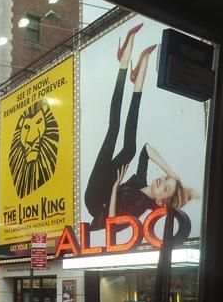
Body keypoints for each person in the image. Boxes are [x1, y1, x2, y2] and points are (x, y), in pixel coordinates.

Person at [83, 23, 196, 236]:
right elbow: (146, 149)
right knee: (132, 150)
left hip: (96, 200)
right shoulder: (140, 181)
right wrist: (171, 172)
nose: (162, 181)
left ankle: (124, 64)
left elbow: (113, 224)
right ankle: (136, 77)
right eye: (166, 181)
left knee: (113, 130)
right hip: (108, 183)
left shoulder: (140, 207)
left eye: (164, 187)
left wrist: (116, 187)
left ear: (161, 201)